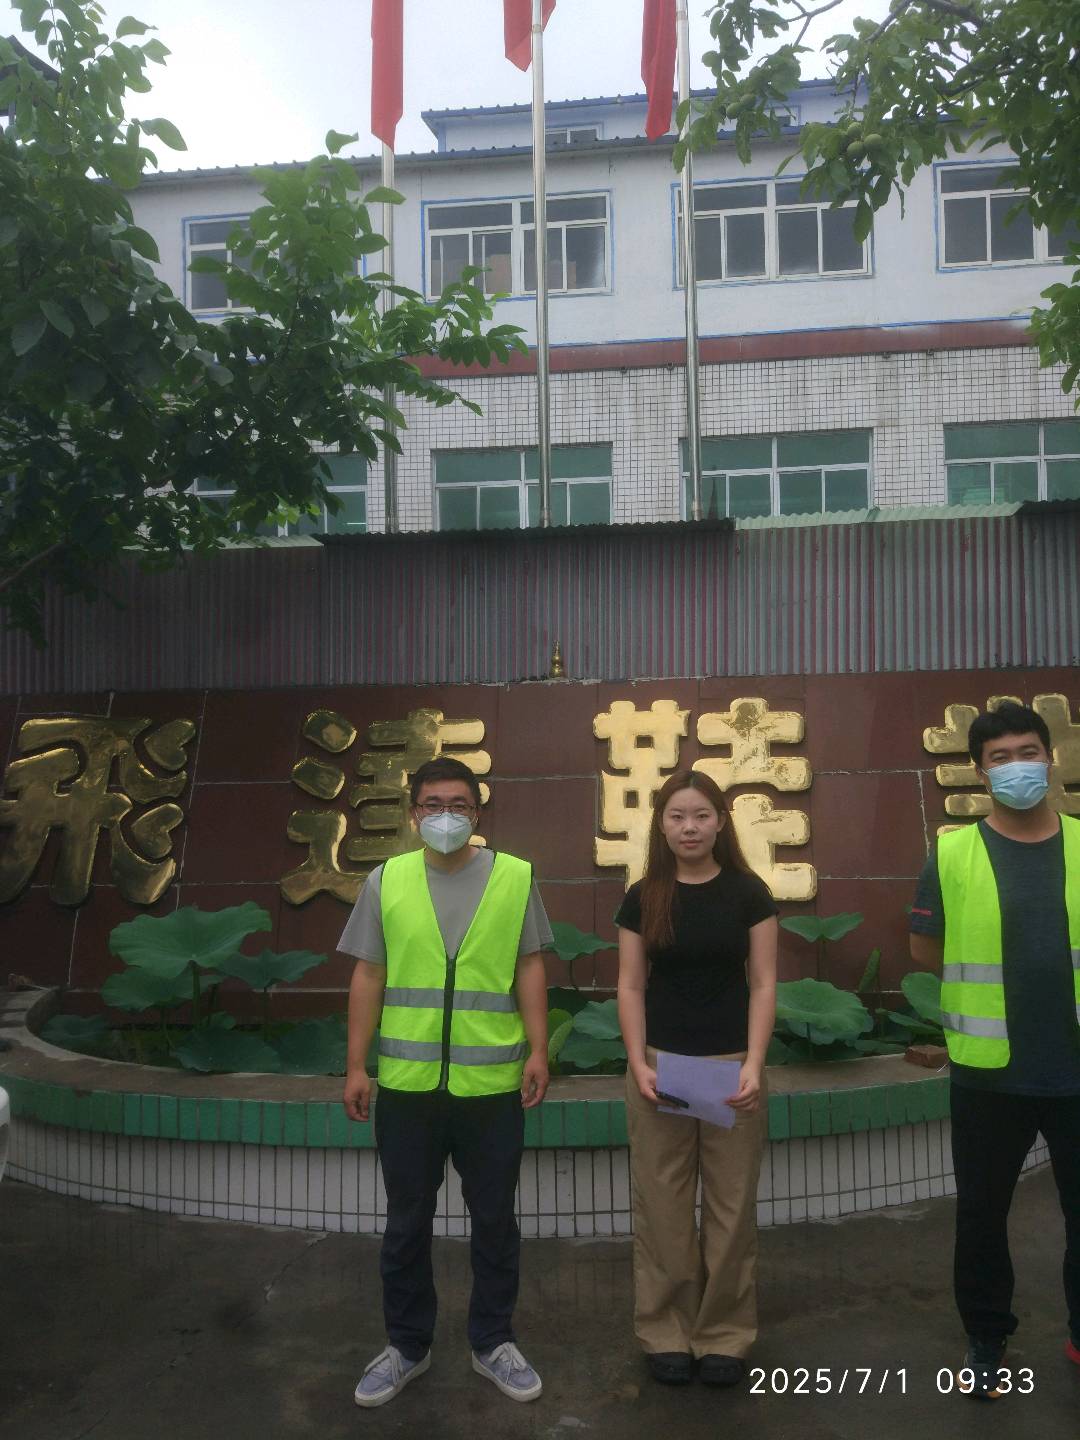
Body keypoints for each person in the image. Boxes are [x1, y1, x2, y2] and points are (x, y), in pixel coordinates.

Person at [340, 756, 553, 1408]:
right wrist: (356, 1065)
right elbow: (368, 974)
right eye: (433, 804)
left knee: (495, 1221)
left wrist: (539, 1050)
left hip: (491, 1087)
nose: (446, 816)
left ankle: (494, 1342)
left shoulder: (514, 877)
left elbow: (529, 966)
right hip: (408, 1088)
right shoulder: (387, 880)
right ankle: (407, 1346)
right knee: (406, 1222)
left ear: (477, 813)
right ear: (414, 814)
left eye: (459, 805)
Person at [910, 702, 1080, 1401]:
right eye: (1001, 758)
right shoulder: (952, 853)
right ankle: (986, 1339)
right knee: (982, 1218)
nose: (1017, 767)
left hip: (1076, 1070)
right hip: (989, 1074)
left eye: (1028, 752)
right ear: (982, 772)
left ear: (1050, 757)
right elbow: (926, 948)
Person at [615, 769, 777, 1388]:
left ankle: (724, 1336)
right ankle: (666, 1332)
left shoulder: (748, 894)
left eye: (702, 815)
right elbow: (631, 985)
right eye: (678, 816)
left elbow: (763, 983)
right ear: (661, 824)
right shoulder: (644, 896)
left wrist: (754, 1062)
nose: (690, 827)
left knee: (732, 1209)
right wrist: (638, 1061)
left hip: (732, 1069)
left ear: (720, 823)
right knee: (663, 1205)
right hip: (661, 1067)